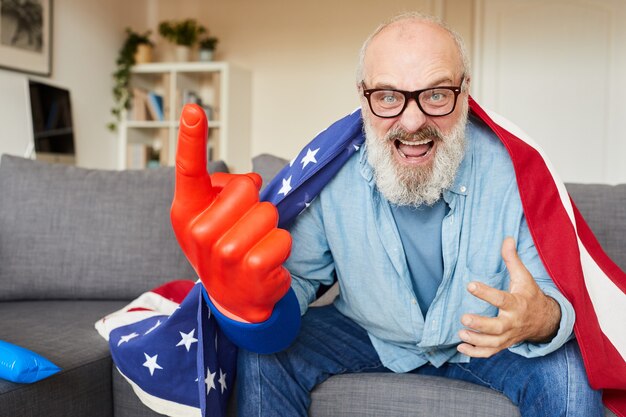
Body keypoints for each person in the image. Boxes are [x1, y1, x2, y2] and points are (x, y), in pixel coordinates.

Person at [171, 12, 605, 417]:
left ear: (464, 91)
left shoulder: (517, 171)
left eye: (436, 94)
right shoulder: (330, 175)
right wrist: (245, 303)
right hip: (369, 334)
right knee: (264, 357)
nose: (412, 121)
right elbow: (294, 283)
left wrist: (540, 318)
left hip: (485, 344)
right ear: (364, 97)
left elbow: (551, 294)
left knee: (572, 374)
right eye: (388, 96)